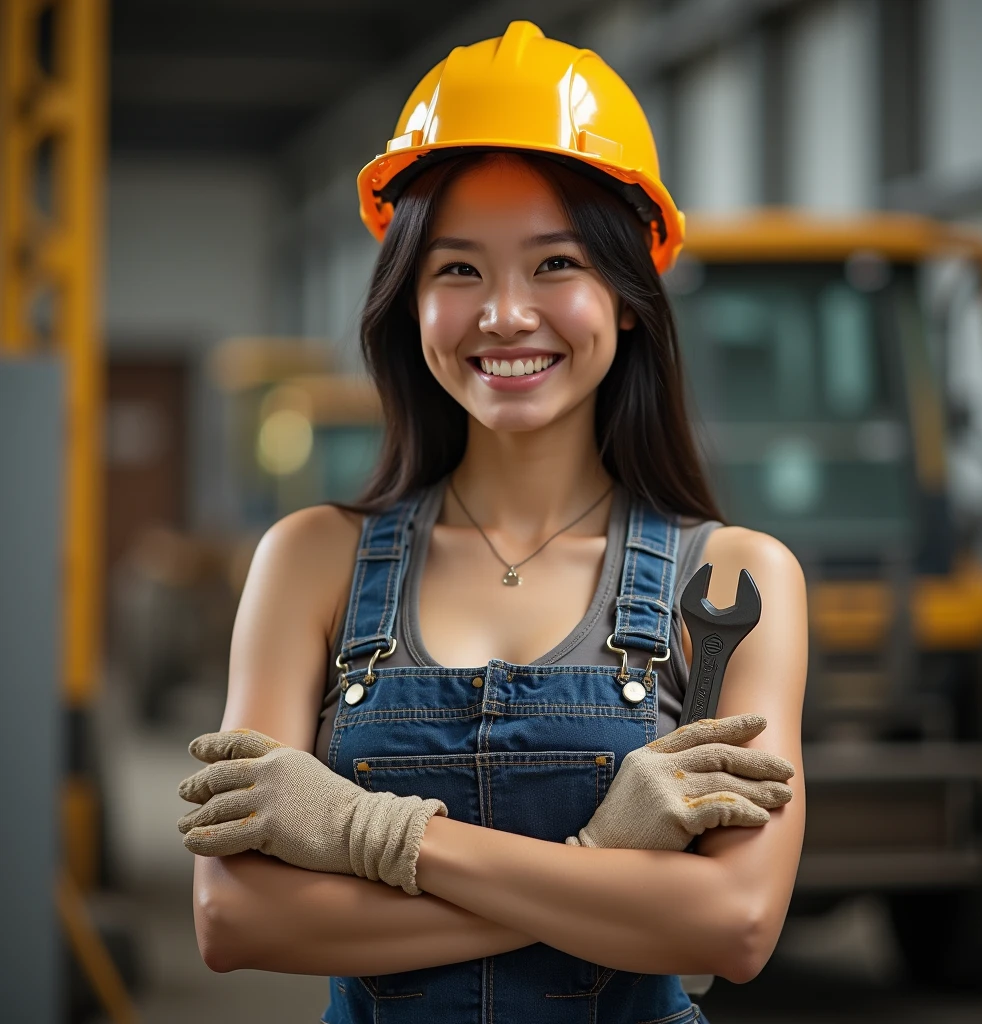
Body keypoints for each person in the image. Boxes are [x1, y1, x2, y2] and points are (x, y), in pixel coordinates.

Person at [177, 22, 807, 1024]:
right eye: (459, 270)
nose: (505, 314)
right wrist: (606, 869)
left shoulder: (730, 578)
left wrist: (361, 832)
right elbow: (236, 918)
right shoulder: (310, 561)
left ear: (628, 296)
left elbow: (731, 926)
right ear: (410, 301)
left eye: (555, 263)